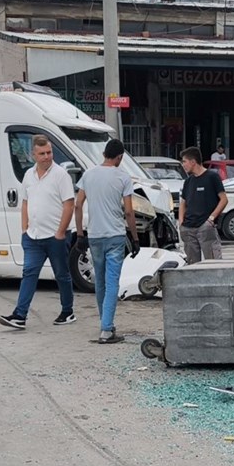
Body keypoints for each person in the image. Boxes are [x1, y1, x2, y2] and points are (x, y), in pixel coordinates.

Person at [0, 134, 77, 330]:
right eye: (42, 153)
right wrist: (24, 229)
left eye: (49, 152)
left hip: (55, 236)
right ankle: (20, 315)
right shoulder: (28, 175)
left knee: (62, 275)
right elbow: (25, 202)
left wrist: (60, 233)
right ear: (33, 155)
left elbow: (69, 204)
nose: (47, 157)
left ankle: (67, 311)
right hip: (33, 236)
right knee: (29, 273)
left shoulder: (61, 175)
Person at [74, 138, 138, 344]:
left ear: (104, 154)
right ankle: (107, 330)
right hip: (115, 236)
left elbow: (77, 205)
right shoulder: (123, 177)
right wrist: (135, 238)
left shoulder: (88, 174)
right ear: (119, 157)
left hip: (94, 235)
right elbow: (128, 211)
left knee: (99, 281)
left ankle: (105, 323)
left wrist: (80, 234)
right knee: (112, 283)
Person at [177, 146, 227, 263]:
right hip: (188, 228)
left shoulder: (212, 177)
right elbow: (183, 203)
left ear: (193, 162)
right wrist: (181, 222)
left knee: (214, 263)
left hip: (205, 227)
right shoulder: (188, 181)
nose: (183, 165)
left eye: (184, 161)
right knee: (192, 266)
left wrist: (211, 219)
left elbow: (224, 199)